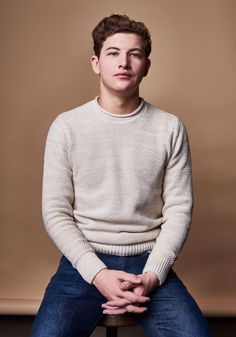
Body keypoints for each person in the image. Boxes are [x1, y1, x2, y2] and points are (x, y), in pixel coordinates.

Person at [30, 14, 212, 337]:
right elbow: (56, 213)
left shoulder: (170, 128)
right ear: (96, 62)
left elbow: (179, 211)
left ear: (147, 65)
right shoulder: (66, 127)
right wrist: (98, 274)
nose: (123, 63)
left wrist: (153, 276)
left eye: (134, 54)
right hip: (82, 262)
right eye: (113, 53)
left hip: (149, 262)